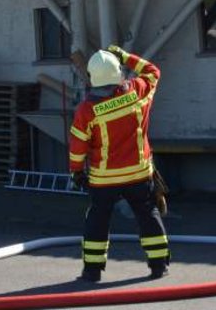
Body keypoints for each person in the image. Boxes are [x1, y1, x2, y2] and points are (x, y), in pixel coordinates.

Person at [68, 44, 168, 284]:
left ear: (93, 78)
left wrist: (76, 172)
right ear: (118, 72)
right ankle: (158, 266)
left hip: (104, 178)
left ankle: (92, 272)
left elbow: (77, 146)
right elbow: (153, 71)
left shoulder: (87, 110)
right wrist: (125, 55)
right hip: (139, 173)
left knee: (98, 220)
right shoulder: (138, 91)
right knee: (147, 214)